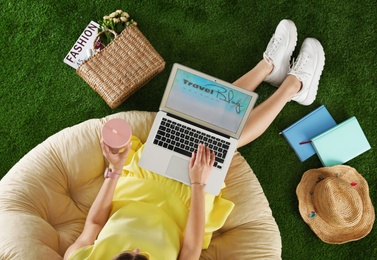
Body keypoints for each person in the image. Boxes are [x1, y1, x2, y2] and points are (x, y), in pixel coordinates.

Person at [64, 19, 325, 260]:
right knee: (219, 142)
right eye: (142, 255)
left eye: (128, 252)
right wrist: (199, 183)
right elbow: (190, 249)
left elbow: (95, 225)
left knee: (193, 118)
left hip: (140, 180)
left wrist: (115, 170)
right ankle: (294, 86)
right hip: (187, 202)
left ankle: (268, 67)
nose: (136, 247)